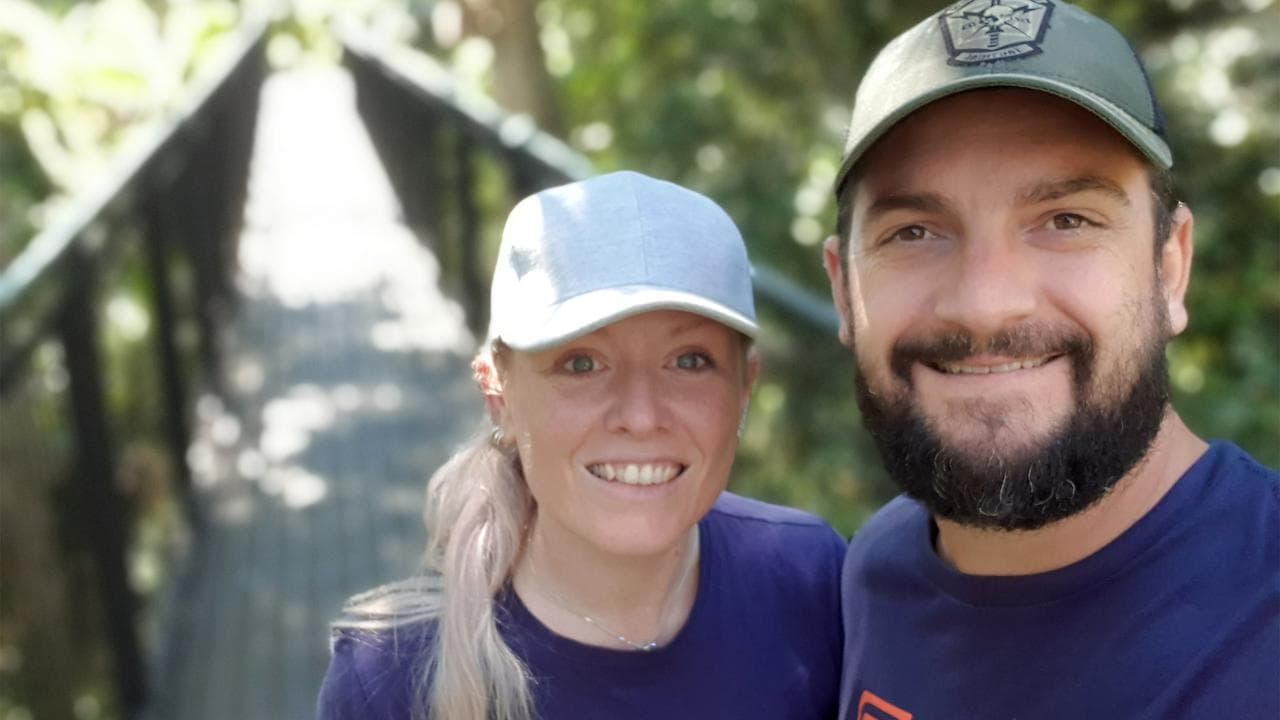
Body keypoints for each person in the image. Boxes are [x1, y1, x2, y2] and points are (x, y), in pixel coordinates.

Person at [821, 2, 1279, 718]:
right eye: (913, 231)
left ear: (1170, 269)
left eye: (1067, 221)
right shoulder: (872, 572)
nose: (984, 304)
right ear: (843, 291)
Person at [317, 170, 845, 719]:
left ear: (744, 388)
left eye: (689, 361)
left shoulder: (812, 579)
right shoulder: (388, 679)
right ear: (499, 394)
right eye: (582, 363)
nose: (641, 417)